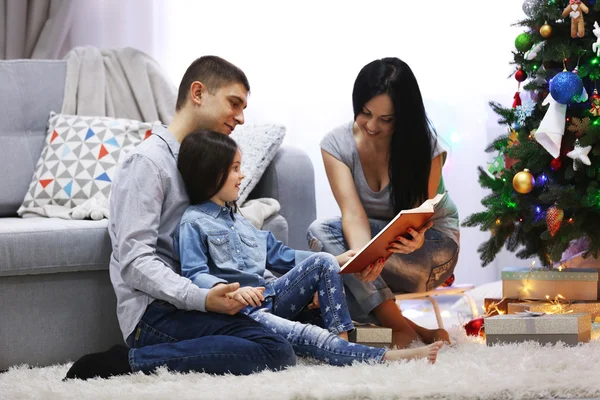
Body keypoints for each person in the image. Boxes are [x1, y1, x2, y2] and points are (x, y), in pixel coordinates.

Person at [65, 56, 297, 380]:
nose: (241, 118)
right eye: (234, 103)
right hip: (157, 315)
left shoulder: (202, 165)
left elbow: (233, 245)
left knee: (300, 323)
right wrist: (203, 299)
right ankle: (128, 362)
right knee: (276, 349)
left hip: (203, 300)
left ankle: (384, 339)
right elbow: (135, 262)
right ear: (198, 93)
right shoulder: (148, 163)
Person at [174, 129, 443, 365]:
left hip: (272, 297)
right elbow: (195, 274)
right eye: (235, 168)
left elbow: (282, 257)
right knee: (310, 334)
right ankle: (382, 358)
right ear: (211, 172)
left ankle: (345, 343)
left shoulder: (241, 222)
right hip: (242, 312)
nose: (242, 175)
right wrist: (232, 291)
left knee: (323, 262)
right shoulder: (193, 223)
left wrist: (336, 260)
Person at [306, 58, 460, 349]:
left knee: (340, 280)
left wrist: (400, 246)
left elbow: (417, 219)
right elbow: (352, 213)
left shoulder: (425, 147)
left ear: (403, 117)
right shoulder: (336, 145)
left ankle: (399, 329)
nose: (372, 126)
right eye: (365, 113)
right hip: (379, 251)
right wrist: (366, 258)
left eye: (386, 119)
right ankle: (408, 330)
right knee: (319, 235)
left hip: (429, 249)